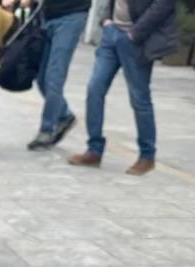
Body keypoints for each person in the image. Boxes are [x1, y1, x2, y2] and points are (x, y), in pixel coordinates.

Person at [68, 0, 178, 174]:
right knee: (94, 89)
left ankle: (147, 155)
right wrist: (105, 19)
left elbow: (164, 4)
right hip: (111, 34)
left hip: (136, 39)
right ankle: (94, 150)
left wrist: (135, 33)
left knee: (139, 99)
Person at [24, 0, 92, 150]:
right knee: (42, 79)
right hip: (48, 17)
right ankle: (64, 115)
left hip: (71, 16)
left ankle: (46, 130)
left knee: (54, 78)